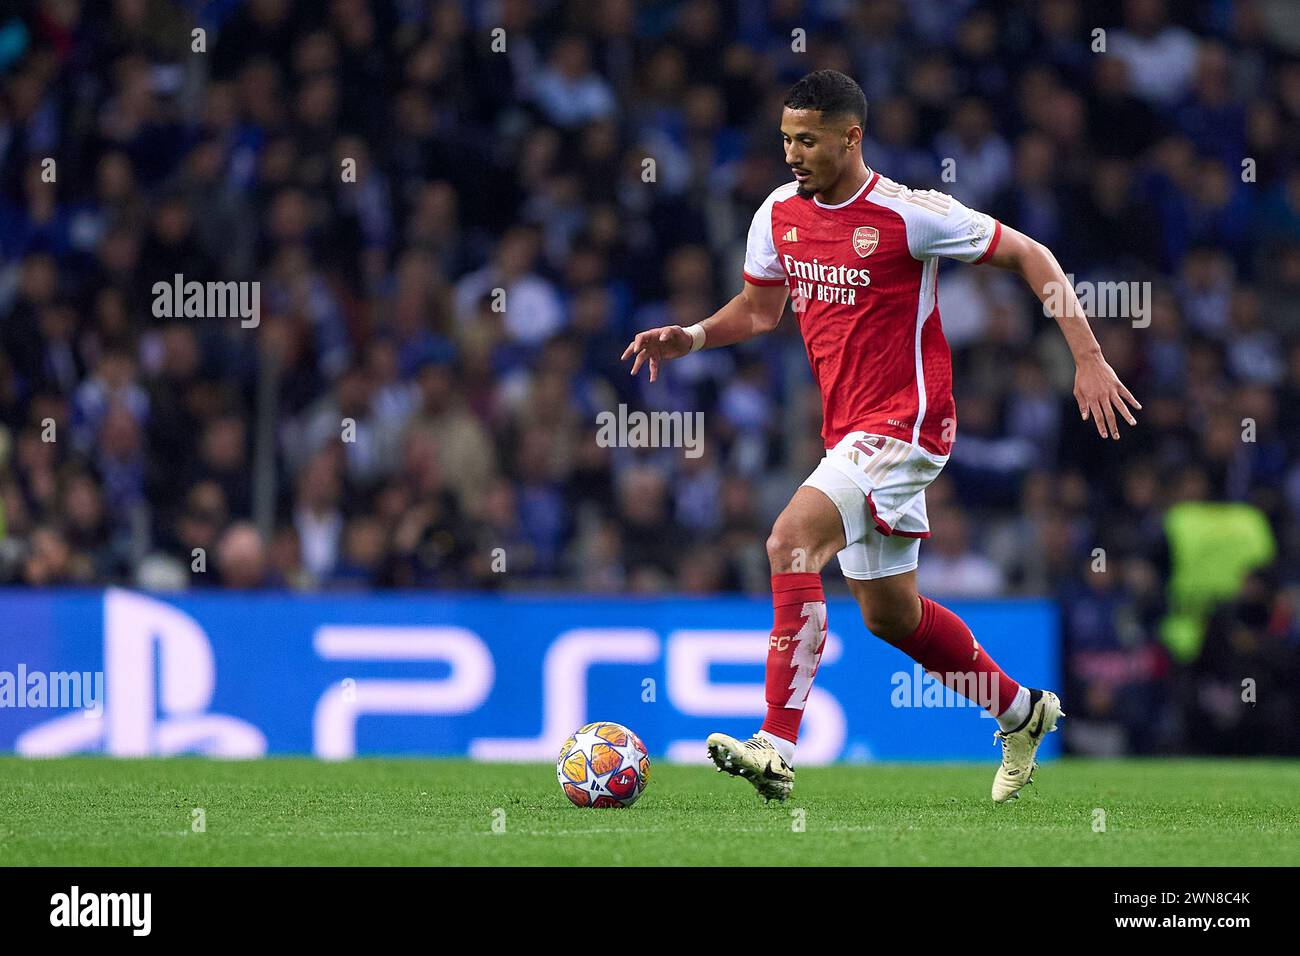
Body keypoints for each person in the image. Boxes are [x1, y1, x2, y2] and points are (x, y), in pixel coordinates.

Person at [622, 70, 1140, 803]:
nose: (793, 153)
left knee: (788, 541)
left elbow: (1032, 255)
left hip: (908, 424)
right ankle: (1022, 713)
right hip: (849, 433)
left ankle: (776, 742)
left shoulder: (909, 213)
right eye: (785, 139)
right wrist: (695, 336)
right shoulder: (777, 213)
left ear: (850, 137)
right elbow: (761, 310)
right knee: (890, 615)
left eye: (807, 140)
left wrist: (1086, 357)